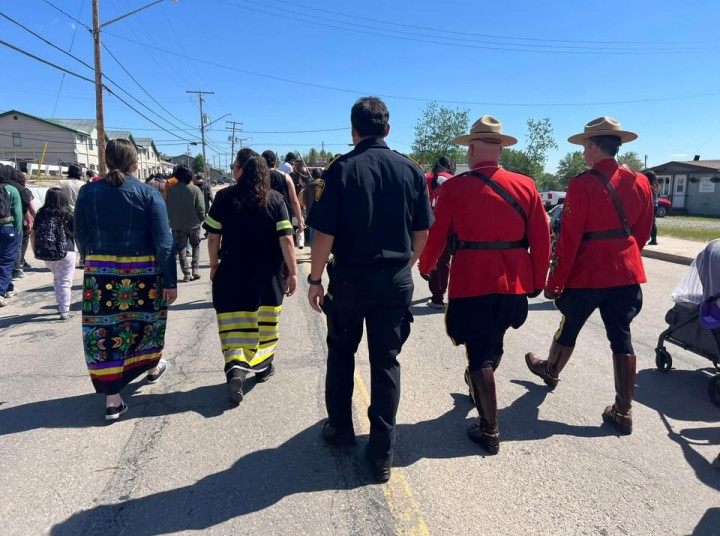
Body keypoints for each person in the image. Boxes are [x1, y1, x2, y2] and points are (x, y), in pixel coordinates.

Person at [306, 97, 433, 483]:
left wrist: (315, 280)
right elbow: (423, 232)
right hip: (394, 279)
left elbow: (323, 234)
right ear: (388, 130)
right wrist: (404, 267)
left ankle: (341, 428)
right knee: (386, 361)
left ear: (353, 130)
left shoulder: (339, 170)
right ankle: (382, 453)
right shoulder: (411, 170)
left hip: (349, 280)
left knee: (342, 353)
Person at [419, 116, 551, 454]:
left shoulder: (454, 188)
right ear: (502, 149)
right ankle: (480, 388)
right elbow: (541, 238)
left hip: (473, 281)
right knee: (494, 342)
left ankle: (489, 429)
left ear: (474, 148)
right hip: (512, 283)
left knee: (479, 355)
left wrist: (426, 265)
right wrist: (538, 280)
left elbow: (437, 237)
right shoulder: (527, 186)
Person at [524, 117, 653, 435]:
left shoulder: (582, 184)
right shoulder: (640, 182)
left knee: (570, 324)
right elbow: (642, 232)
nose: (583, 152)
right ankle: (623, 410)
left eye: (585, 146)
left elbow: (568, 240)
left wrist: (555, 283)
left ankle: (551, 370)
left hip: (588, 273)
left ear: (595, 146)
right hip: (625, 273)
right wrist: (621, 254)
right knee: (621, 335)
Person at [74, 139, 177, 421]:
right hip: (144, 273)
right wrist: (170, 280)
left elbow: (80, 233)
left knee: (104, 331)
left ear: (107, 161)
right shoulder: (148, 193)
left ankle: (112, 400)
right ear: (135, 163)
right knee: (146, 323)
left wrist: (92, 259)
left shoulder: (88, 191)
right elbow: (164, 241)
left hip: (101, 273)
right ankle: (152, 368)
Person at [203, 149, 297, 404]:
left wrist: (213, 266)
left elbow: (213, 237)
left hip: (231, 272)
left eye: (234, 167)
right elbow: (286, 239)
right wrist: (294, 272)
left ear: (242, 170)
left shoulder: (224, 197)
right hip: (267, 276)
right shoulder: (275, 200)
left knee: (234, 323)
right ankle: (263, 367)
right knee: (266, 323)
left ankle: (236, 368)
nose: (233, 171)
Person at [31, 188, 75, 320]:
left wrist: (35, 251)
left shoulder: (41, 214)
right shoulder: (68, 214)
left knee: (57, 278)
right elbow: (75, 233)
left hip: (47, 253)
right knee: (65, 281)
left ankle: (60, 305)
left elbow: (33, 234)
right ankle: (64, 310)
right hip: (67, 251)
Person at [419, 156, 456, 309]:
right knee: (445, 262)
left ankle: (437, 297)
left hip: (430, 226)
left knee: (433, 260)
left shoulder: (427, 178)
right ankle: (442, 290)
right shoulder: (454, 180)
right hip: (449, 227)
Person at [166, 165, 205, 282]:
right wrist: (201, 219)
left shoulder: (171, 190)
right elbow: (201, 208)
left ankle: (186, 274)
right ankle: (195, 270)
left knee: (181, 249)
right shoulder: (195, 189)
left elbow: (168, 207)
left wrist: (171, 221)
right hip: (194, 224)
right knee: (196, 246)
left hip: (177, 225)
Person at [262, 150, 305, 250]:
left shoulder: (258, 177)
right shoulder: (286, 177)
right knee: (284, 249)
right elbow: (294, 201)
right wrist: (300, 221)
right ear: (275, 162)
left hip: (263, 219)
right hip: (283, 218)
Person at [0, 166, 22, 306]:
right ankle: (1, 291)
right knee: (6, 261)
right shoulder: (12, 190)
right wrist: (18, 231)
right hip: (8, 229)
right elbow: (18, 214)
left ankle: (9, 288)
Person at [7, 168, 34, 279]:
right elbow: (29, 208)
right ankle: (19, 266)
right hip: (20, 222)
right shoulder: (23, 190)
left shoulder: (6, 187)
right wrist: (33, 220)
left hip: (6, 222)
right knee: (20, 245)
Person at [299, 168, 323, 246]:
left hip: (311, 212)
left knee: (313, 233)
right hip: (324, 213)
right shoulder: (325, 184)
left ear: (312, 175)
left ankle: (313, 251)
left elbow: (303, 199)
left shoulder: (309, 186)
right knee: (323, 233)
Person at [645, 169, 660, 245]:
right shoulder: (655, 185)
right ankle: (653, 238)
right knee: (652, 222)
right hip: (655, 205)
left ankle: (651, 238)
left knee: (649, 222)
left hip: (651, 205)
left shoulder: (649, 186)